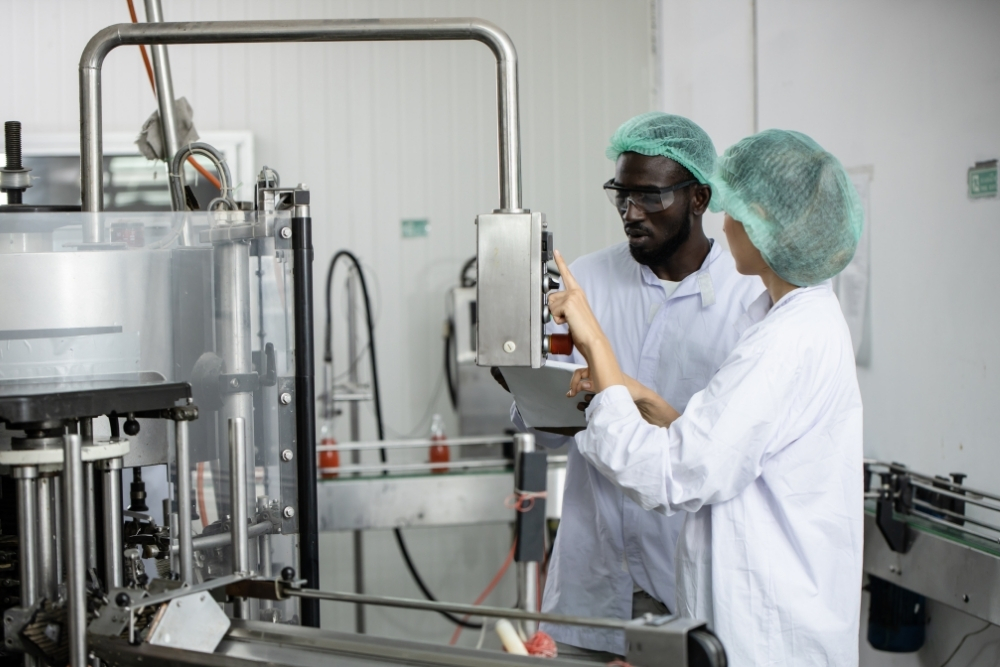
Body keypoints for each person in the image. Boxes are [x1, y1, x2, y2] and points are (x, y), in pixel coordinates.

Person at [548, 129, 865, 666]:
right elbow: (730, 451)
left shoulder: (785, 343)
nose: (726, 223)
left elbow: (673, 475)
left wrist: (594, 342)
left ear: (765, 225)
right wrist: (642, 396)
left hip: (766, 632)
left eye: (735, 211)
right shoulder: (799, 321)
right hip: (756, 619)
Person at [504, 112, 763, 660]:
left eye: (650, 197)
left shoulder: (749, 303)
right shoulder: (587, 282)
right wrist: (535, 390)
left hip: (689, 585)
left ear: (699, 199)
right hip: (591, 583)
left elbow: (724, 456)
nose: (631, 213)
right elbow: (550, 435)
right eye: (621, 196)